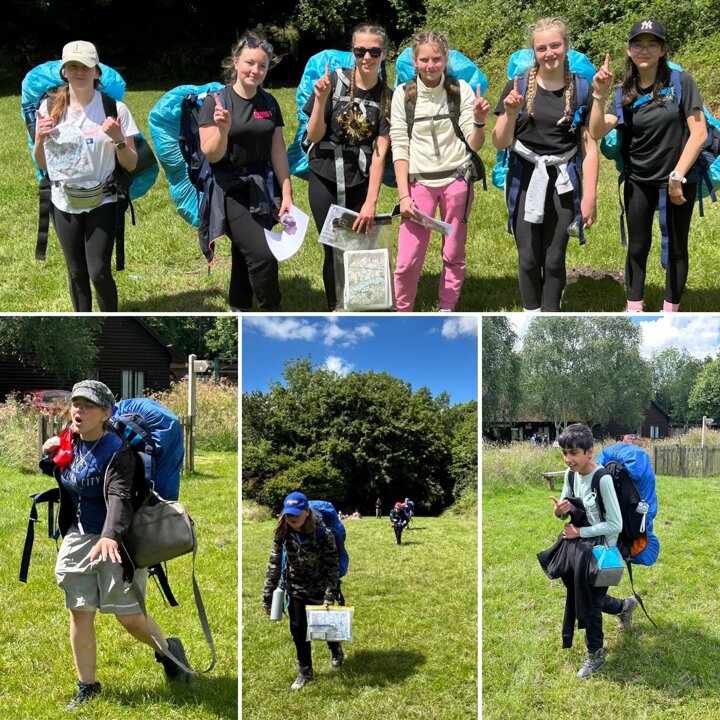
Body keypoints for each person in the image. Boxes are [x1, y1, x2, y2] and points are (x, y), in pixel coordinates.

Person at [40, 380, 190, 710]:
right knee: (79, 611)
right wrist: (50, 454)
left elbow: (119, 495)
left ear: (106, 414)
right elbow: (66, 474)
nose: (79, 410)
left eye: (88, 406)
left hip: (116, 540)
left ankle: (169, 653)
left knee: (130, 618)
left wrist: (110, 535)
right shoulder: (70, 438)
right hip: (78, 536)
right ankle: (87, 686)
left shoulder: (118, 452)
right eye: (76, 404)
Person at [588, 18, 708, 312]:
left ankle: (670, 312)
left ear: (663, 49)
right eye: (638, 44)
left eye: (652, 44)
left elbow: (699, 133)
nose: (644, 50)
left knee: (677, 247)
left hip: (679, 179)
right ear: (628, 50)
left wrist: (677, 176)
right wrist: (599, 94)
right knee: (638, 246)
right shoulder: (624, 93)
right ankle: (634, 310)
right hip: (638, 180)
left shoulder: (681, 82)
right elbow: (597, 130)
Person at [492, 17, 599, 312]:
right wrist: (510, 114)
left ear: (566, 46)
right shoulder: (518, 86)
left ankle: (551, 314)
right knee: (528, 257)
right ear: (534, 52)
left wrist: (590, 196)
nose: (549, 53)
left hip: (563, 180)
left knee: (554, 258)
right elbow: (499, 142)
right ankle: (531, 314)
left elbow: (590, 146)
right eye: (541, 48)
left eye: (555, 45)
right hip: (525, 177)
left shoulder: (581, 88)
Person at [33, 41, 139, 312]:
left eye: (85, 67)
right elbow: (43, 163)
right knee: (76, 273)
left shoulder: (115, 109)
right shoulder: (49, 108)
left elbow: (130, 164)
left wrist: (118, 139)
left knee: (99, 272)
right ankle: (85, 322)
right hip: (64, 201)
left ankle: (109, 321)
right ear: (64, 71)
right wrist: (40, 138)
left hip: (103, 200)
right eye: (72, 66)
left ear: (96, 71)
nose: (79, 72)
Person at [391, 30, 490, 311]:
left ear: (446, 59)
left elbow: (474, 144)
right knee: (407, 259)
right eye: (424, 60)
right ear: (414, 61)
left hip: (457, 181)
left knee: (453, 252)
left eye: (436, 59)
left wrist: (479, 121)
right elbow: (399, 146)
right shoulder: (403, 95)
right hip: (418, 184)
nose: (430, 65)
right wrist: (403, 196)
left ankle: (447, 308)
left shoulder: (461, 90)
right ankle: (402, 311)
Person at [199, 33, 292, 312]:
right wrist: (223, 130)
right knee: (263, 254)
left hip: (262, 187)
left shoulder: (269, 103)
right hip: (229, 188)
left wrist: (287, 193)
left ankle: (239, 305)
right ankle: (271, 312)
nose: (255, 70)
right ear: (235, 62)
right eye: (250, 63)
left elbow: (277, 150)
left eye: (262, 66)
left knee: (245, 249)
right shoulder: (216, 102)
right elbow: (211, 154)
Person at [304, 23, 392, 310]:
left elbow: (380, 152)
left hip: (359, 178)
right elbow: (314, 135)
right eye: (360, 51)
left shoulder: (386, 97)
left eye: (374, 51)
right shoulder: (333, 82)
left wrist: (371, 201)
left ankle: (360, 304)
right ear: (352, 52)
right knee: (332, 245)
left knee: (358, 245)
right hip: (324, 172)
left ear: (383, 54)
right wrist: (320, 100)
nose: (367, 57)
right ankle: (335, 306)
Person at [545, 423, 638, 679]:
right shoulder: (570, 474)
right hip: (578, 547)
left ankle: (595, 655)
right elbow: (565, 510)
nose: (568, 459)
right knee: (588, 597)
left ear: (589, 452)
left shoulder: (602, 479)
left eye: (574, 453)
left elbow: (615, 524)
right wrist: (559, 512)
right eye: (565, 453)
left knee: (591, 603)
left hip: (602, 548)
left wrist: (580, 532)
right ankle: (625, 606)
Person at [262, 492, 343, 690]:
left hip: (320, 588)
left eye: (296, 513)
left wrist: (329, 596)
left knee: (326, 627)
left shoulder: (324, 534)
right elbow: (274, 565)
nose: (292, 518)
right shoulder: (282, 533)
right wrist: (267, 597)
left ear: (307, 512)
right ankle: (305, 671)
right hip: (296, 589)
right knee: (298, 631)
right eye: (289, 514)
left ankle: (335, 649)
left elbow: (333, 567)